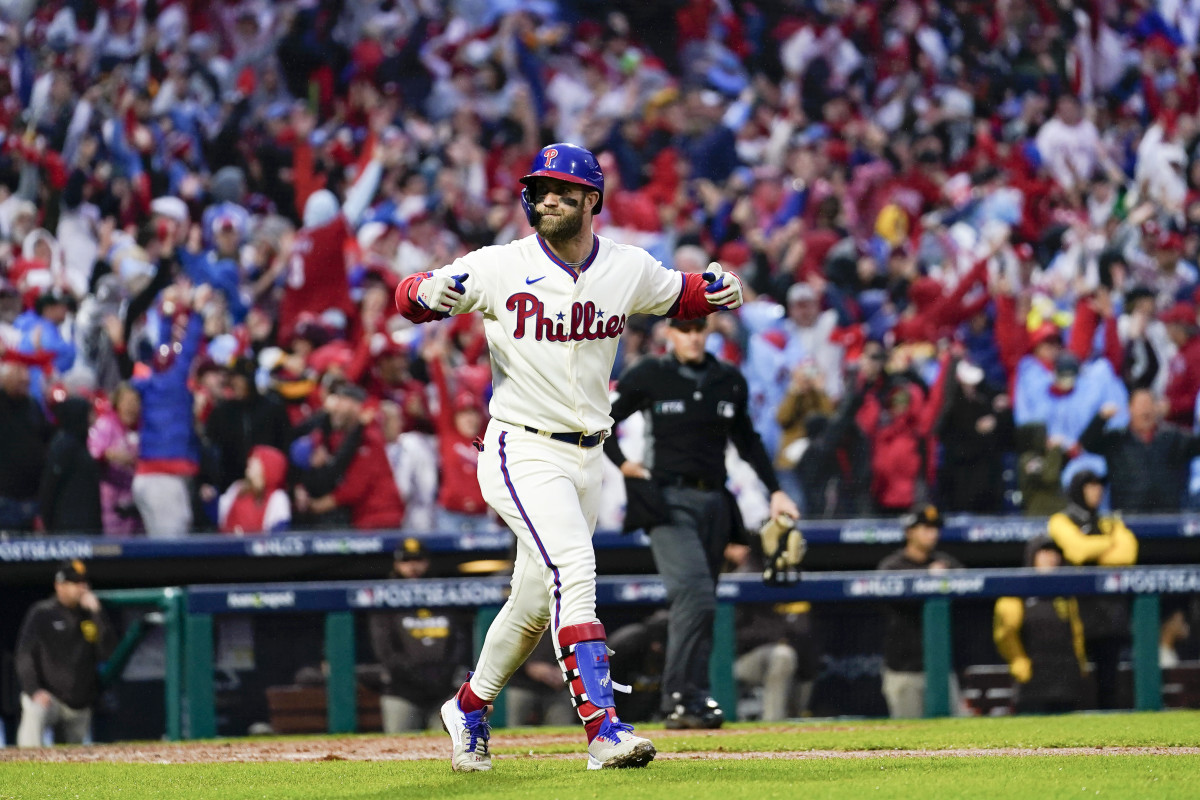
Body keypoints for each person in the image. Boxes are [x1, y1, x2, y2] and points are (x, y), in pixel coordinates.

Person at [393, 143, 744, 771]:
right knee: (576, 570)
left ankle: (469, 706)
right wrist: (428, 288)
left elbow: (683, 293)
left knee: (532, 604)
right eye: (540, 187)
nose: (547, 197)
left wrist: (718, 287)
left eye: (561, 188)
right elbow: (411, 297)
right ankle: (604, 729)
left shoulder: (625, 266)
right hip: (521, 446)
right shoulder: (502, 265)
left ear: (591, 200)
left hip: (588, 457)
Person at [606, 315, 800, 728]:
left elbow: (747, 439)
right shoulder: (650, 374)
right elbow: (604, 422)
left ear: (707, 333)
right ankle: (678, 696)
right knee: (694, 594)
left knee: (701, 602)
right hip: (667, 500)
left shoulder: (727, 378)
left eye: (699, 329)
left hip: (715, 499)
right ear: (670, 333)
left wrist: (776, 489)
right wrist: (623, 464)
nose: (693, 337)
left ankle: (691, 696)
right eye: (685, 329)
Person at [1048, 470, 1139, 710]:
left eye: (1099, 486)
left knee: (1109, 681)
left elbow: (1128, 553)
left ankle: (1109, 742)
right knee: (1069, 679)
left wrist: (1094, 547)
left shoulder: (1109, 521)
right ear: (1078, 489)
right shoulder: (1061, 519)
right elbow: (1077, 551)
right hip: (1075, 612)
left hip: (1109, 614)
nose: (1096, 491)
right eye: (1090, 486)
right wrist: (1110, 543)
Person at [367, 539, 473, 733]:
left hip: (444, 691)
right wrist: (417, 678)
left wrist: (442, 676)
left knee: (446, 747)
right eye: (406, 561)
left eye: (418, 560)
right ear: (397, 564)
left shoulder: (443, 594)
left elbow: (458, 643)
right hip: (402, 692)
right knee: (399, 751)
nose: (413, 566)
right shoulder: (385, 598)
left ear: (427, 562)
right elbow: (386, 651)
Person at [15, 560, 117, 747]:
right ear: (59, 586)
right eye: (75, 583)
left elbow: (108, 651)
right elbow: (25, 656)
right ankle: (26, 765)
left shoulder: (91, 615)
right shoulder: (42, 613)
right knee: (33, 708)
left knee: (72, 760)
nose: (82, 588)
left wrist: (97, 613)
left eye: (83, 582)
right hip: (49, 698)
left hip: (79, 703)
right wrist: (34, 689)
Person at [877, 505, 964, 718]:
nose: (931, 533)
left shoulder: (945, 563)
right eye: (924, 528)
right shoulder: (892, 566)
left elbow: (968, 586)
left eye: (934, 528)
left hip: (941, 670)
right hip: (904, 670)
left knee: (957, 735)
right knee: (908, 740)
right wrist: (927, 577)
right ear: (909, 532)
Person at [993, 536, 1087, 714]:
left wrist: (1080, 663)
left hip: (1065, 679)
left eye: (1054, 553)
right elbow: (1005, 635)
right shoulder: (1016, 593)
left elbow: (1076, 633)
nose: (1050, 558)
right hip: (1032, 682)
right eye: (1044, 553)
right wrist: (1018, 661)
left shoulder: (1066, 594)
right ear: (1032, 556)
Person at [1079, 392, 1200, 513]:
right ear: (1130, 409)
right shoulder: (1116, 439)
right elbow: (1088, 443)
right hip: (1127, 517)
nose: (1145, 411)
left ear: (1157, 408)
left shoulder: (1174, 437)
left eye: (1149, 404)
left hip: (1169, 518)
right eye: (1140, 405)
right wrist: (1100, 419)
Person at [38, 397, 103, 534]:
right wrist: (47, 521)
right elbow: (50, 485)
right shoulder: (64, 446)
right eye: (90, 413)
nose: (94, 418)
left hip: (87, 523)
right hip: (68, 527)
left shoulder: (80, 443)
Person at [87, 382, 142, 535]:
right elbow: (93, 452)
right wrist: (111, 454)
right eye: (127, 401)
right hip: (112, 502)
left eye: (135, 401)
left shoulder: (145, 429)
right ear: (117, 404)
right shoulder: (106, 424)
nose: (131, 406)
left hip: (139, 501)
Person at [217, 445, 291, 535]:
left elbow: (277, 537)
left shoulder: (278, 498)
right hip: (227, 547)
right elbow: (219, 519)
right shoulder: (236, 488)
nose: (249, 461)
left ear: (268, 466)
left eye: (255, 459)